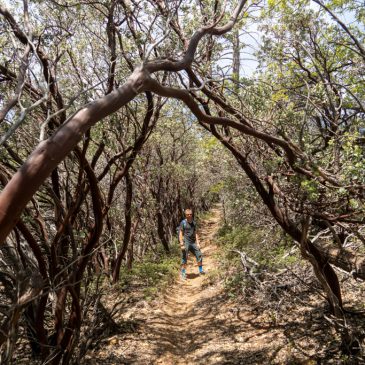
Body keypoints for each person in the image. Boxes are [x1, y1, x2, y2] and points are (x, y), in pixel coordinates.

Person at [179, 208, 205, 280]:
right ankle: (183, 273)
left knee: (199, 255)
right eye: (187, 214)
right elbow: (180, 233)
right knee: (184, 258)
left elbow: (196, 233)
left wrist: (198, 243)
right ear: (185, 215)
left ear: (192, 214)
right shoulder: (183, 223)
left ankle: (201, 270)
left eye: (190, 214)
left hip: (193, 242)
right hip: (186, 242)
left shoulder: (194, 222)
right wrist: (181, 243)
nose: (189, 215)